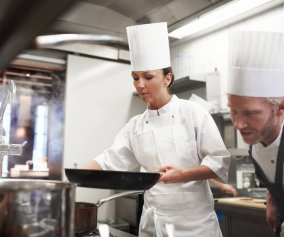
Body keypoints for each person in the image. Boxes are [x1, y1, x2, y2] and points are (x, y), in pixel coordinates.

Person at [83, 22, 231, 237]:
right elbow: (108, 160)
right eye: (135, 77)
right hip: (153, 223)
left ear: (167, 78)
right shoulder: (134, 126)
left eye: (148, 77)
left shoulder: (193, 113)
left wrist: (183, 175)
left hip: (194, 226)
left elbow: (219, 161)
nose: (140, 84)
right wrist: (69, 181)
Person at [226, 31, 284, 237]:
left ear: (280, 108)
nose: (238, 124)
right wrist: (272, 199)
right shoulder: (256, 141)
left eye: (250, 113)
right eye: (233, 111)